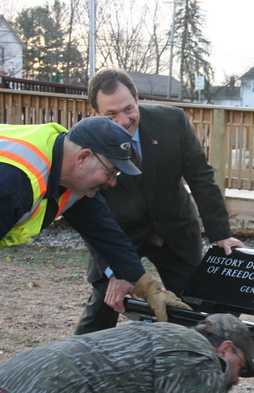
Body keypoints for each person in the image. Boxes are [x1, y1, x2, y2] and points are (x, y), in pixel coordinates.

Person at [74, 68, 244, 335]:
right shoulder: (86, 142)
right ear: (95, 112)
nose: (123, 120)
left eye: (128, 109)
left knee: (196, 310)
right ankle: (80, 370)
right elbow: (87, 213)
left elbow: (200, 176)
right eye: (111, 114)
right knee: (104, 307)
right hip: (121, 235)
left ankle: (194, 364)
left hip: (173, 229)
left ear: (137, 98)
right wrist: (113, 271)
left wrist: (220, 234)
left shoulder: (172, 121)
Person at [0, 117, 189, 322]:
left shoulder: (66, 166)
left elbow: (106, 233)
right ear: (83, 158)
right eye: (111, 171)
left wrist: (148, 288)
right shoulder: (14, 184)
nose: (113, 182)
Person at [0, 313, 254, 392]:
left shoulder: (165, 334)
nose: (237, 379)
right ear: (226, 349)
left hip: (16, 373)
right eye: (240, 367)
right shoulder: (202, 360)